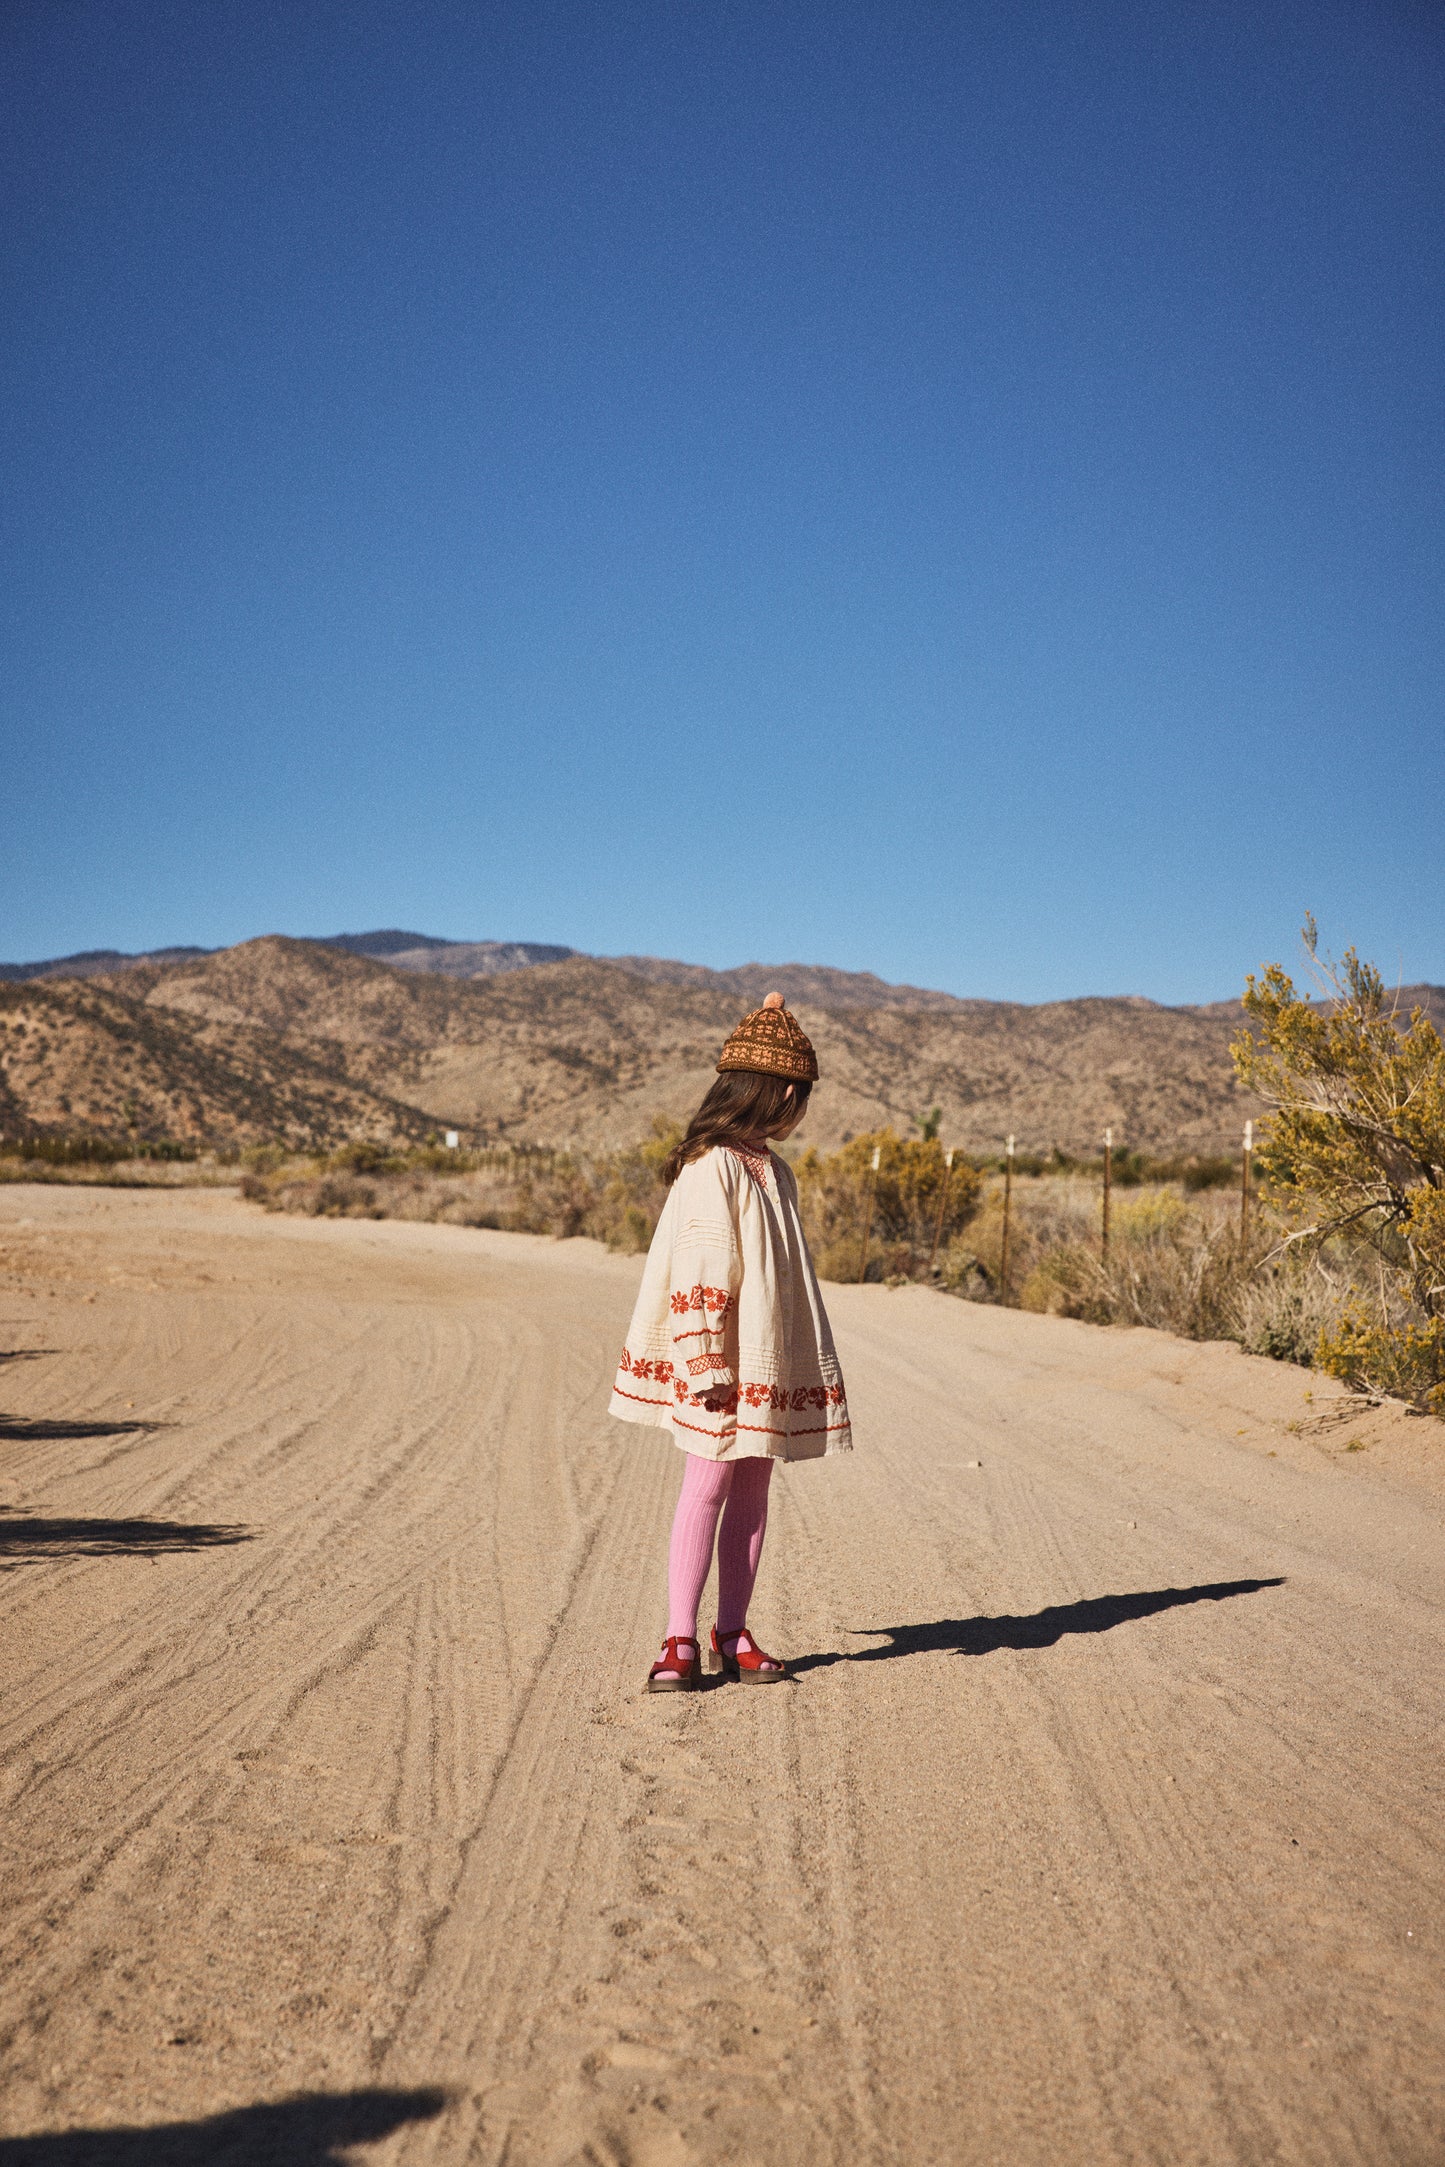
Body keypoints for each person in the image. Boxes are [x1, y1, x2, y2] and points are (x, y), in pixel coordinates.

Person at [609, 992, 852, 1693]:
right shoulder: (711, 1163)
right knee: (708, 1479)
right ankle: (677, 1636)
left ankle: (731, 1631)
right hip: (716, 1357)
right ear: (780, 1090)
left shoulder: (774, 1169)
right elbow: (702, 1260)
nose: (799, 1110)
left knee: (753, 1482)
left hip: (762, 1355)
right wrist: (704, 1355)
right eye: (799, 1097)